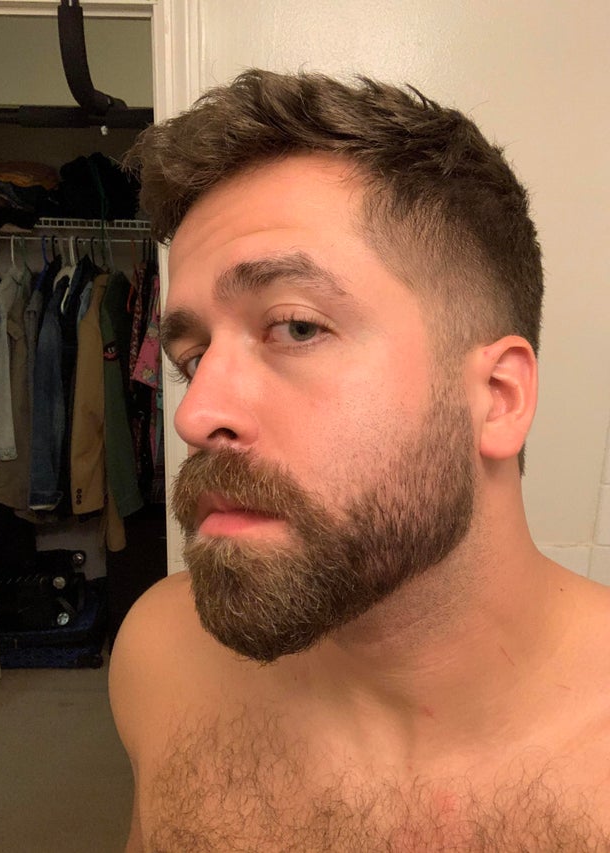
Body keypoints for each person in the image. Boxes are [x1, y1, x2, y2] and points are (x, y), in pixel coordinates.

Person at [109, 69, 610, 852]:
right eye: (194, 356)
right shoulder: (161, 657)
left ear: (498, 396)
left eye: (296, 327)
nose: (195, 414)